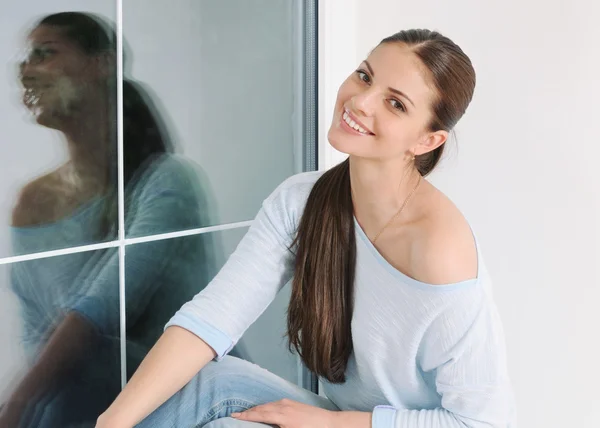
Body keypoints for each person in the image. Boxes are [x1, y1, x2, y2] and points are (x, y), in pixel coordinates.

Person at [97, 29, 516, 428]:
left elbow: (483, 420)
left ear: (426, 142)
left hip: (352, 423)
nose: (361, 102)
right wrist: (111, 421)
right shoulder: (303, 200)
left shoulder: (439, 249)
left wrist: (333, 423)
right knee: (210, 380)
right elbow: (213, 318)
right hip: (334, 417)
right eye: (365, 76)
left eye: (396, 104)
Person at [0, 12, 223, 428]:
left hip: (194, 406)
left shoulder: (167, 180)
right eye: (25, 60)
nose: (26, 72)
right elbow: (38, 336)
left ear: (101, 65)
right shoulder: (31, 203)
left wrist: (17, 405)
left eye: (44, 54)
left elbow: (102, 308)